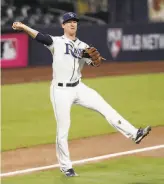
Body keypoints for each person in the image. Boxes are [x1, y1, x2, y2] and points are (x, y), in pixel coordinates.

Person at [12, 12, 151, 177]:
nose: (72, 24)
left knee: (105, 107)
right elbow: (39, 36)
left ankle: (134, 134)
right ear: (63, 25)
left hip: (79, 87)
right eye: (69, 22)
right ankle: (66, 167)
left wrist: (94, 61)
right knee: (63, 129)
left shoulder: (84, 45)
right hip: (60, 91)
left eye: (74, 22)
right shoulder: (56, 42)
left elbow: (93, 62)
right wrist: (23, 27)